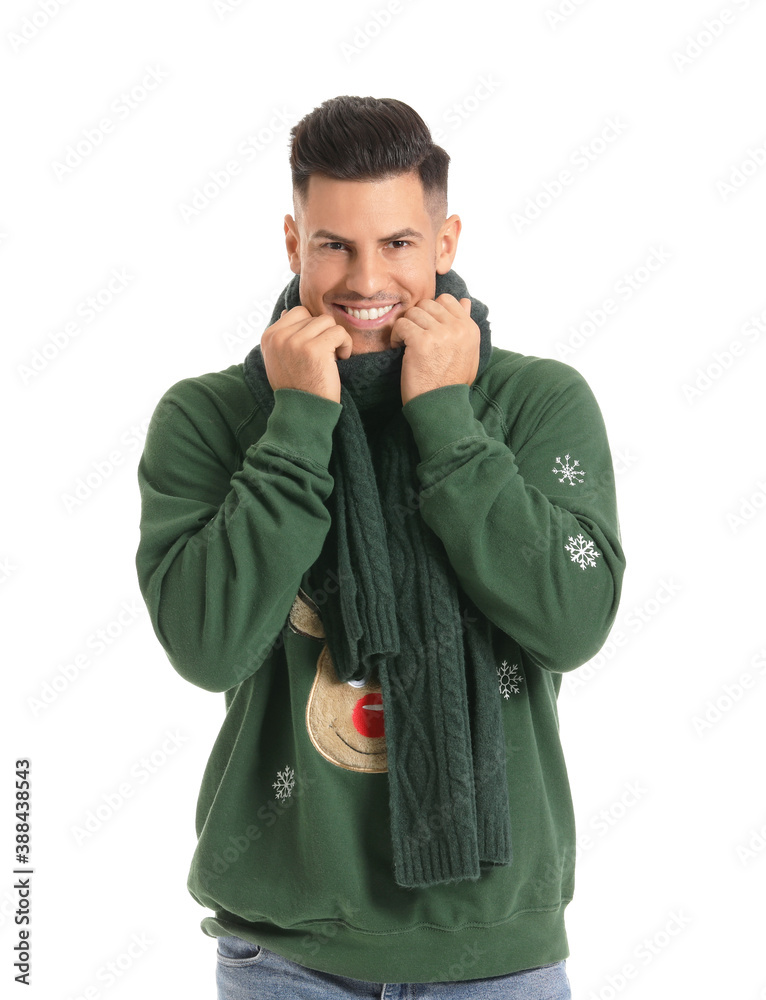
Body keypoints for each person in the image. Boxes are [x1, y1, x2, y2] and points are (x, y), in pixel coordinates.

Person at [135, 95, 626, 999]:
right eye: (334, 245)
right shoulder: (212, 418)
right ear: (293, 243)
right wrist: (296, 425)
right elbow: (208, 647)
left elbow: (574, 622)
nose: (366, 279)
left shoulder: (533, 402)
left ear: (446, 243)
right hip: (287, 957)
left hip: (497, 956)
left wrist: (446, 420)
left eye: (398, 243)